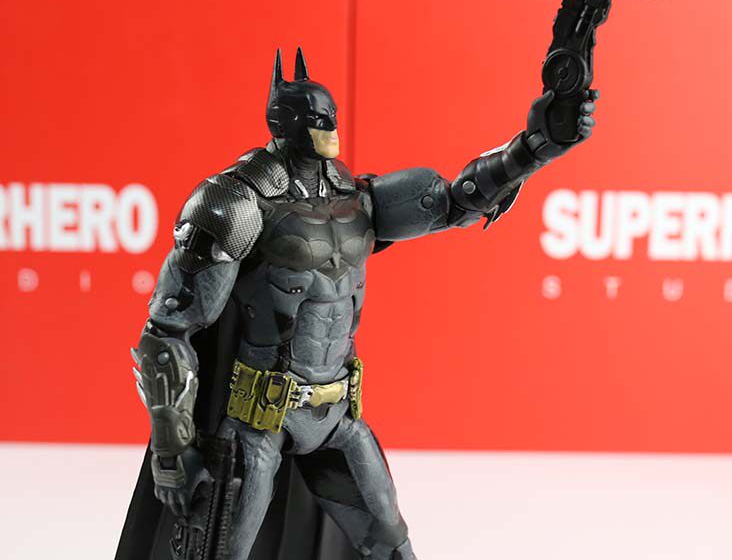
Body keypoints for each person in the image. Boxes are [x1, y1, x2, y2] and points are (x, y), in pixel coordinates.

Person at [117, 47, 597, 560]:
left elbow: (458, 200)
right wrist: (172, 449)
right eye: (317, 118)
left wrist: (535, 146)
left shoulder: (355, 200)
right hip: (257, 423)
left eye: (330, 115)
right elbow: (168, 330)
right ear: (286, 124)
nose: (329, 125)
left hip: (337, 416)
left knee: (390, 544)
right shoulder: (235, 202)